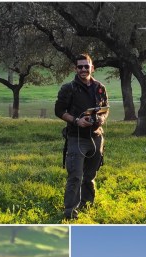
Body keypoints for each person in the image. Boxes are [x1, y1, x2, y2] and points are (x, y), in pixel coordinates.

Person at [54, 53, 109, 220]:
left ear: (93, 68)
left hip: (96, 137)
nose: (84, 69)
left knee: (90, 176)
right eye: (80, 67)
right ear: (75, 69)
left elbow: (106, 108)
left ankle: (88, 205)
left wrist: (101, 119)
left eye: (87, 66)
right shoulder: (68, 88)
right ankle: (70, 213)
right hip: (76, 138)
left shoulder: (100, 87)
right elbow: (59, 111)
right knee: (75, 176)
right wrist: (77, 121)